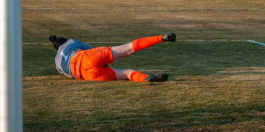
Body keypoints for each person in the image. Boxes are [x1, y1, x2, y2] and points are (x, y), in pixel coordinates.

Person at [49, 32, 177, 82]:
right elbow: (89, 48)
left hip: (85, 75)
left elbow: (68, 74)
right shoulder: (70, 42)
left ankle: (146, 78)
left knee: (126, 73)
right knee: (129, 48)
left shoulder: (56, 62)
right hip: (86, 58)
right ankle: (161, 38)